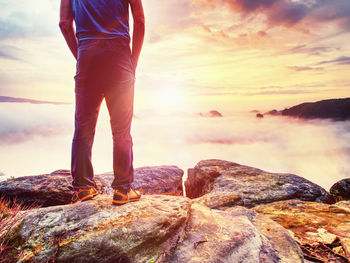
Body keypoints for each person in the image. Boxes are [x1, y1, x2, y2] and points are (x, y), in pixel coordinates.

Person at [59, 0, 145, 205]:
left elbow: (64, 23)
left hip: (87, 54)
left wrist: (80, 55)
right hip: (120, 56)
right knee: (121, 129)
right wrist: (133, 62)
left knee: (83, 127)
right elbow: (140, 20)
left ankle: (83, 188)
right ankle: (123, 190)